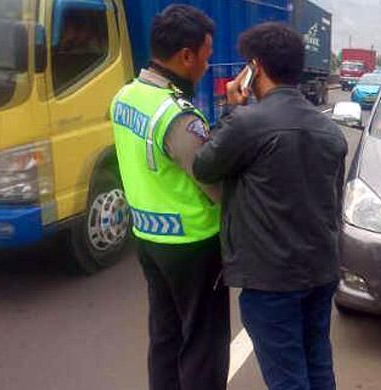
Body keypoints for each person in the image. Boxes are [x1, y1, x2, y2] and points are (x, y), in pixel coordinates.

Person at [192, 22, 348, 390]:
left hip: (272, 278)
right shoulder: (331, 130)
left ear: (254, 68)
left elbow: (203, 166)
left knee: (287, 378)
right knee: (317, 364)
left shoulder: (248, 123)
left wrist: (232, 109)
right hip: (320, 271)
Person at [109, 5, 228, 390]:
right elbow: (213, 181)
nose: (207, 68)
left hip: (147, 237)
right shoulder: (177, 115)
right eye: (206, 58)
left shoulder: (125, 96)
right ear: (186, 56)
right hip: (192, 245)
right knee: (203, 343)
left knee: (165, 336)